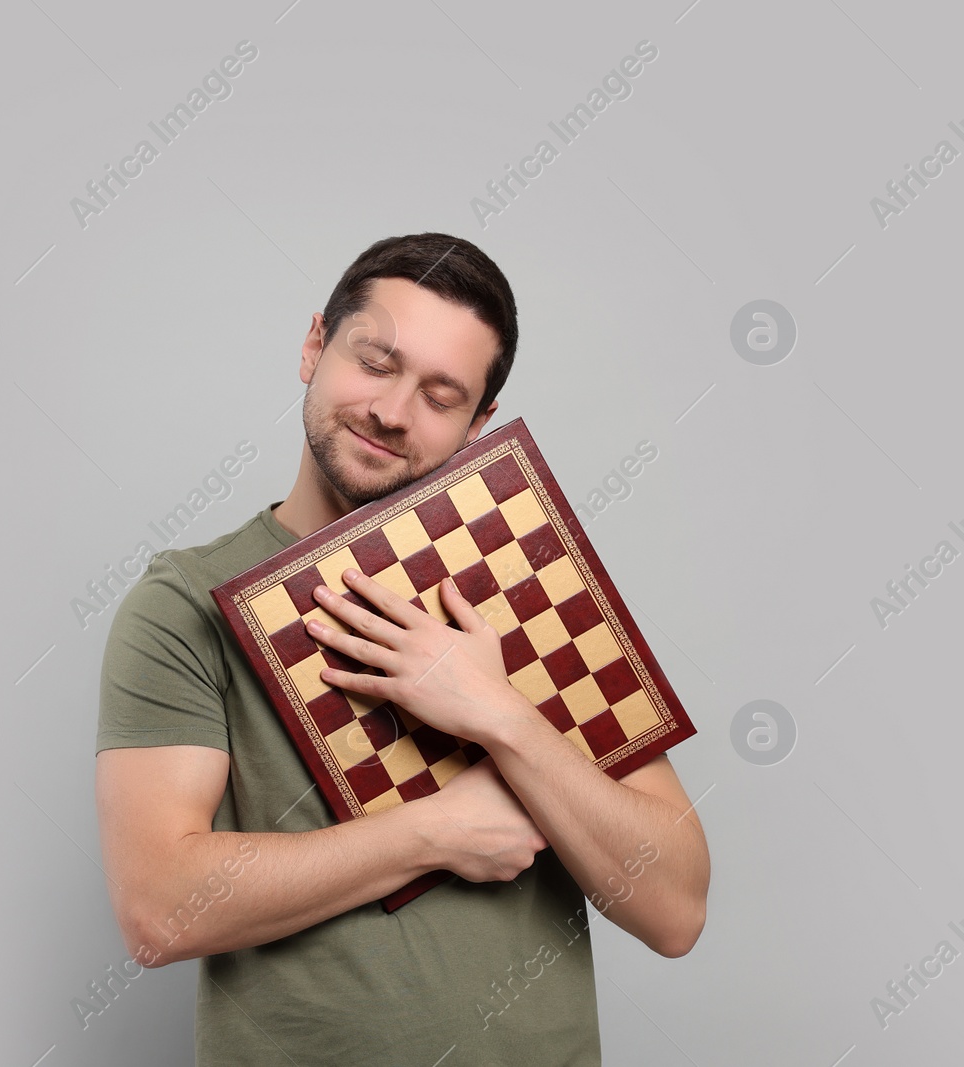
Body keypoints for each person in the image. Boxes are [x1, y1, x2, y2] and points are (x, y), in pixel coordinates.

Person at [94, 232, 710, 1065]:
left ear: (478, 423)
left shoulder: (527, 576)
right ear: (316, 344)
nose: (390, 411)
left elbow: (674, 909)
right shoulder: (184, 604)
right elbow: (160, 908)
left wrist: (499, 714)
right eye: (375, 362)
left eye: (440, 393)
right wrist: (435, 833)